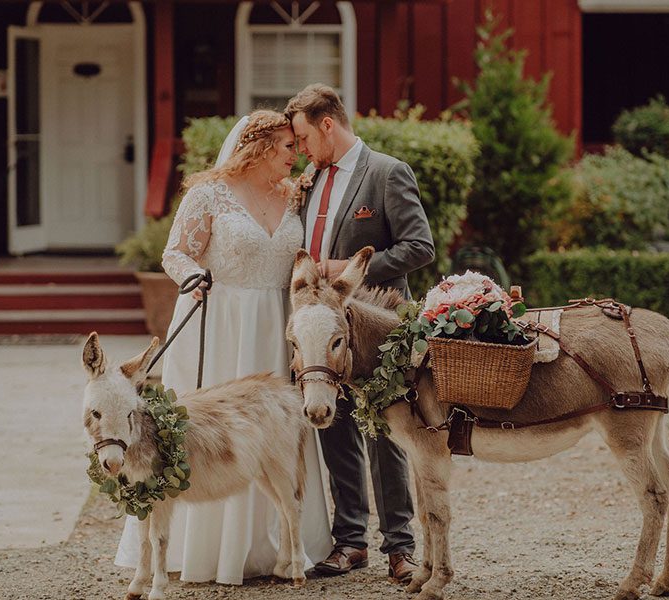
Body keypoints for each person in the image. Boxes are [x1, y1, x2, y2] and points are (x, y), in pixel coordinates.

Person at [114, 110, 332, 585]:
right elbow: (174, 251)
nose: (295, 153)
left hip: (278, 321)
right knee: (212, 430)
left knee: (274, 430)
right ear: (260, 147)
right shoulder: (208, 194)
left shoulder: (293, 195)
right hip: (221, 322)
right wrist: (192, 278)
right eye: (287, 146)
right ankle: (206, 550)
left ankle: (280, 546)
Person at [284, 84, 435, 584]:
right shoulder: (310, 179)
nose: (301, 149)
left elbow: (419, 247)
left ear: (328, 123)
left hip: (374, 331)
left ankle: (400, 547)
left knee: (385, 436)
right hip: (319, 331)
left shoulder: (388, 173)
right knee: (335, 430)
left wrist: (347, 270)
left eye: (304, 137)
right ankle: (350, 542)